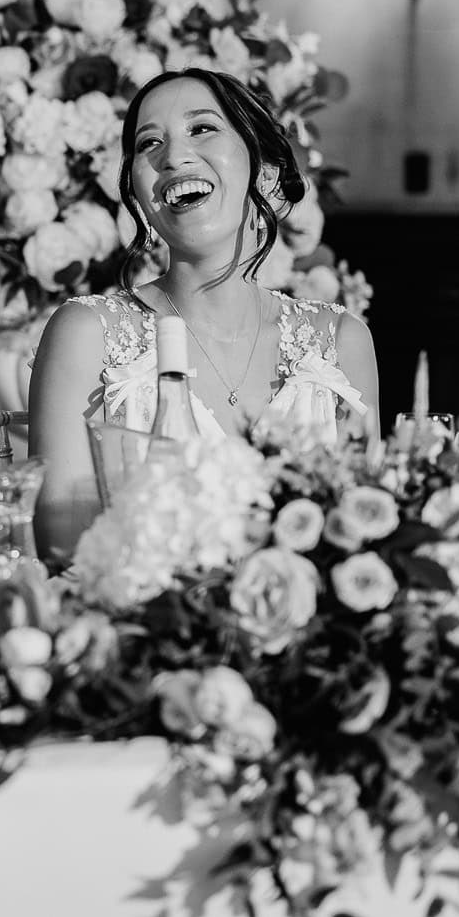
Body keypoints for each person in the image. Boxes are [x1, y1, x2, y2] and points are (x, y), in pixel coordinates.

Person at [30, 68, 380, 562]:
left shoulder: (340, 341)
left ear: (264, 172)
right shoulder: (87, 334)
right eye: (149, 143)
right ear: (138, 193)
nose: (173, 156)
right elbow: (64, 551)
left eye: (202, 128)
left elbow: (366, 536)